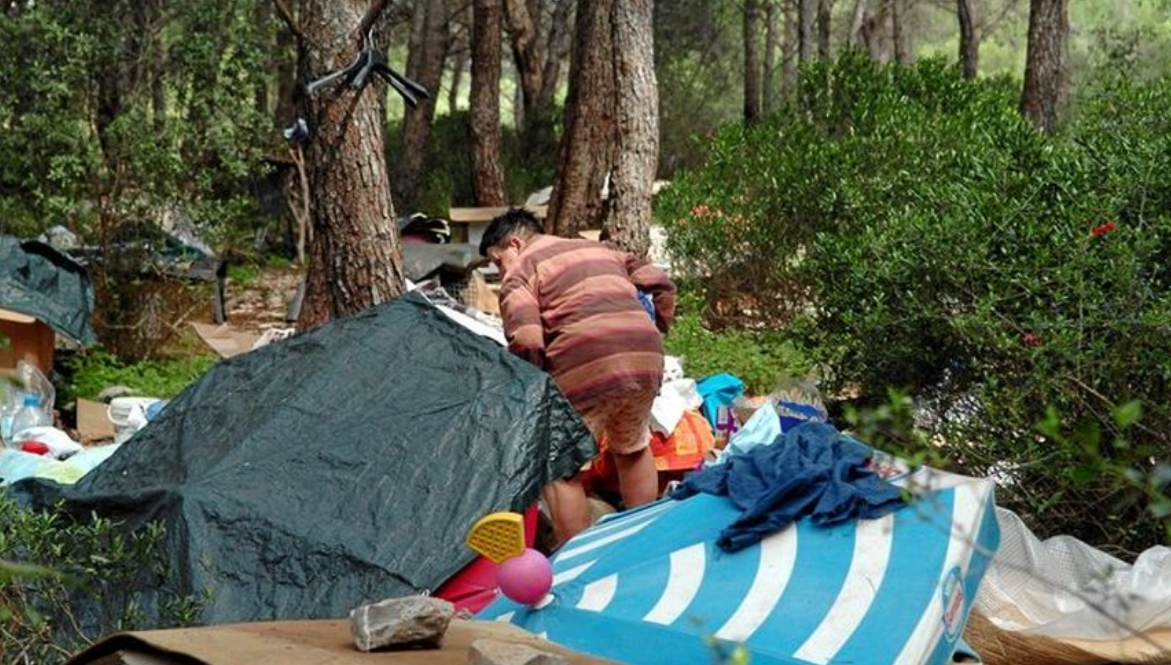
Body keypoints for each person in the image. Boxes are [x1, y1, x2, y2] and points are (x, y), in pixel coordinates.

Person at [480, 209, 676, 545]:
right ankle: (644, 543)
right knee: (631, 448)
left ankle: (577, 560)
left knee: (560, 467)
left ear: (515, 243)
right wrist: (657, 325)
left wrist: (531, 380)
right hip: (645, 361)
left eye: (498, 262)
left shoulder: (522, 270)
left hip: (587, 367)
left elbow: (527, 338)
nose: (501, 272)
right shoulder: (604, 250)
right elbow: (662, 282)